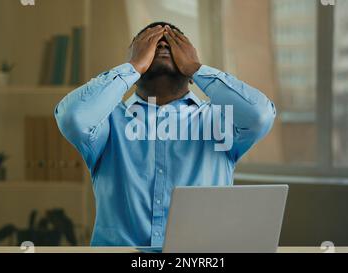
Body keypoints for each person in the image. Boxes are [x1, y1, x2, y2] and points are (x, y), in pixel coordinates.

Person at [54, 22, 276, 246]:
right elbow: (73, 117)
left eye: (174, 41)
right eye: (149, 41)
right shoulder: (107, 122)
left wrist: (198, 69)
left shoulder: (219, 120)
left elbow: (259, 116)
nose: (162, 43)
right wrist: (132, 68)